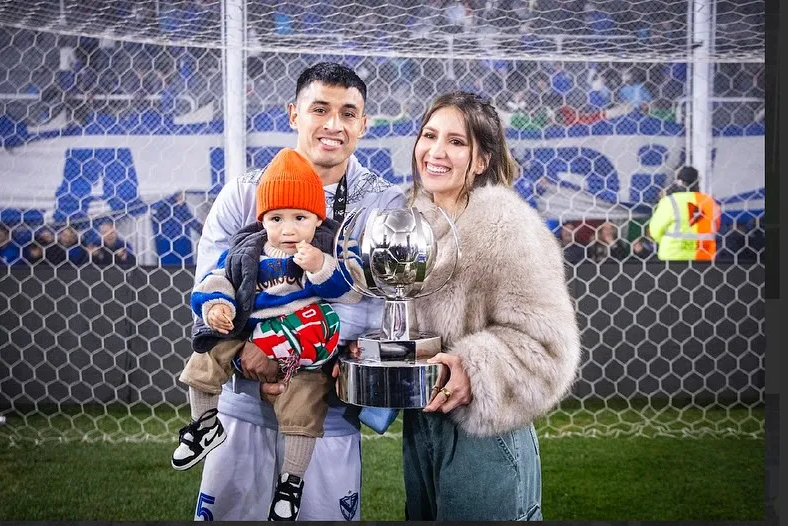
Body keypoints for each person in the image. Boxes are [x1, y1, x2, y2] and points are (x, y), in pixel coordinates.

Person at [188, 62, 406, 521]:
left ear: (364, 124)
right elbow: (210, 282)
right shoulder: (244, 192)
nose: (333, 125)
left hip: (326, 410)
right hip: (241, 402)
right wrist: (252, 355)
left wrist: (281, 349)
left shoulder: (382, 203)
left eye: (349, 113)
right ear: (293, 114)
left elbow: (380, 307)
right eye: (320, 109)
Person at [404, 91, 581, 520]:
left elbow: (551, 347)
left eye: (456, 141)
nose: (436, 151)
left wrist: (474, 368)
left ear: (482, 160)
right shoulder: (410, 221)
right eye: (429, 135)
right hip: (421, 427)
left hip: (484, 428)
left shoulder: (508, 227)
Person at [175, 148, 361, 521]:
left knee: (304, 406)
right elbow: (217, 277)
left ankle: (291, 482)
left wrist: (321, 266)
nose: (288, 229)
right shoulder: (248, 248)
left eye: (299, 217)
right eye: (276, 218)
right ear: (262, 219)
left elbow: (352, 288)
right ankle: (205, 424)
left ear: (317, 218)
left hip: (302, 350)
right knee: (205, 356)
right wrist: (216, 306)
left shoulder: (328, 245)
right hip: (247, 333)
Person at [648, 166, 721, 261]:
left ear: (679, 182)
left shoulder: (670, 201)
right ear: (698, 181)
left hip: (673, 255)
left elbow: (655, 230)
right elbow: (716, 227)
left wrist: (666, 241)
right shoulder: (709, 202)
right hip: (704, 255)